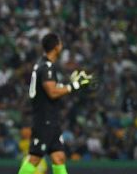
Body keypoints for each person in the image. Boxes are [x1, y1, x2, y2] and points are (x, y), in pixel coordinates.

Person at [17, 33, 92, 174]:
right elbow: (52, 92)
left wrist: (70, 85)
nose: (62, 46)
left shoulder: (44, 65)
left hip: (50, 119)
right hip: (44, 119)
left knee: (59, 157)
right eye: (60, 43)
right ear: (56, 47)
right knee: (35, 157)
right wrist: (74, 85)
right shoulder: (46, 67)